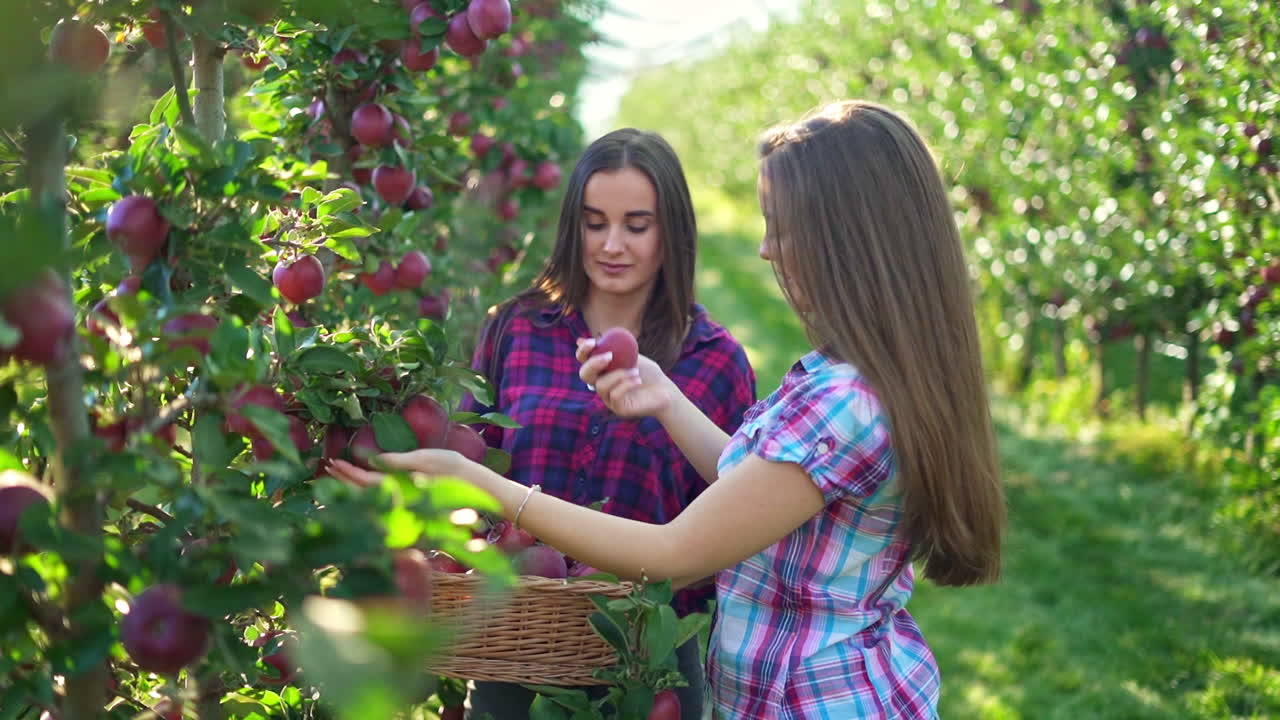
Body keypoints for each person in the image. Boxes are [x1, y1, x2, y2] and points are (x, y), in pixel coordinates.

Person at [331, 100, 1005, 719]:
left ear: (849, 241)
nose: (766, 248)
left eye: (783, 228)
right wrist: (669, 401)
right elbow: (760, 489)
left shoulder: (840, 401)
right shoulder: (842, 379)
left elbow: (674, 553)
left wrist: (479, 483)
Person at [455, 128, 757, 720]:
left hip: (648, 667)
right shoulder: (517, 329)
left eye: (636, 225)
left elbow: (737, 513)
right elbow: (477, 459)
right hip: (515, 642)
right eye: (595, 223)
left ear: (671, 232)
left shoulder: (714, 361)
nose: (612, 244)